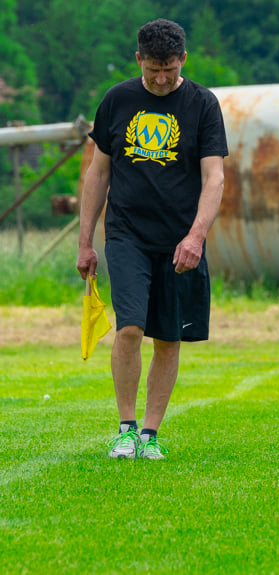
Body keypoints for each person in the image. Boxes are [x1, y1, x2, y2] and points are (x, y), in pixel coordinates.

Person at [76, 18, 228, 459]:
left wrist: (196, 237)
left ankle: (150, 435)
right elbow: (98, 173)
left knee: (168, 337)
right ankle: (124, 429)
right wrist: (86, 243)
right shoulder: (118, 100)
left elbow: (214, 177)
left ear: (183, 59)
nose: (161, 79)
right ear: (138, 59)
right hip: (126, 234)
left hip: (181, 238)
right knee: (129, 328)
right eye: (152, 70)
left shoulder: (202, 104)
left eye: (169, 69)